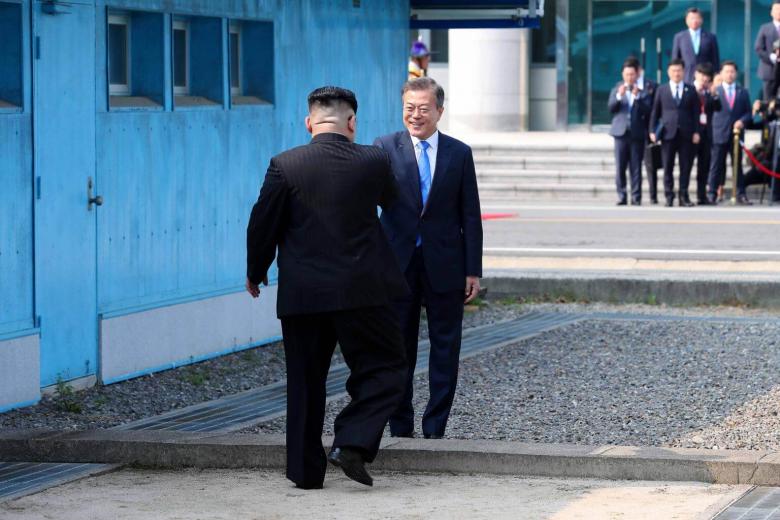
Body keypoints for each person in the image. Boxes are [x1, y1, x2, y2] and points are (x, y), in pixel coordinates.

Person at [246, 86, 408, 489]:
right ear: (351, 122)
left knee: (305, 381)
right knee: (387, 367)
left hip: (304, 294)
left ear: (308, 122)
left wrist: (256, 270)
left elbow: (263, 221)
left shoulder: (284, 165)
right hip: (362, 291)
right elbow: (394, 203)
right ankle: (351, 442)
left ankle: (305, 474)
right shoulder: (374, 159)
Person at [374, 77, 483, 440]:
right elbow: (367, 204)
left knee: (446, 349)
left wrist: (473, 270)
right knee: (397, 349)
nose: (415, 115)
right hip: (397, 265)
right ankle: (400, 427)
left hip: (446, 264)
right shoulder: (384, 147)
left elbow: (470, 215)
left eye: (423, 108)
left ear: (439, 110)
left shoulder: (459, 153)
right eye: (409, 108)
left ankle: (435, 428)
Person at [649, 59, 701, 207]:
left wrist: (696, 131)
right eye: (673, 70)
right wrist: (652, 130)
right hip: (668, 133)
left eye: (679, 70)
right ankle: (669, 196)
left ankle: (683, 196)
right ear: (668, 72)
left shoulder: (691, 90)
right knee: (668, 166)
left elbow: (696, 113)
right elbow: (655, 111)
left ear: (683, 72)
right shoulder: (662, 89)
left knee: (686, 166)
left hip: (686, 133)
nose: (676, 73)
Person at [708, 61, 753, 205]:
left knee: (737, 166)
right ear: (721, 74)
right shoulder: (715, 91)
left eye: (732, 71)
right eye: (726, 71)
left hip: (736, 135)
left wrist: (742, 121)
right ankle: (712, 193)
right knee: (716, 165)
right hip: (719, 133)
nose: (729, 74)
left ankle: (741, 193)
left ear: (736, 73)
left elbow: (749, 113)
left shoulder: (742, 92)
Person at [608, 59, 652, 205]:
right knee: (620, 167)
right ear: (623, 74)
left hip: (636, 133)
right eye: (627, 74)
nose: (630, 77)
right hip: (620, 133)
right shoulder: (617, 88)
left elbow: (648, 110)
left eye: (632, 74)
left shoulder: (642, 91)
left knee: (636, 167)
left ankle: (636, 197)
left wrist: (637, 97)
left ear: (637, 75)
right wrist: (619, 96)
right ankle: (622, 195)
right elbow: (611, 108)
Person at [626, 56, 660, 204]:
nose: (633, 76)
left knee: (651, 164)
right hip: (632, 131)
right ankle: (635, 195)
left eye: (635, 71)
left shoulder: (651, 86)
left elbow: (654, 110)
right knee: (633, 165)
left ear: (639, 71)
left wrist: (654, 130)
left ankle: (653, 195)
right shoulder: (623, 87)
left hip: (647, 130)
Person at [691, 63, 721, 205]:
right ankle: (683, 194)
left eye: (707, 77)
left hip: (706, 133)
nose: (704, 79)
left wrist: (714, 94)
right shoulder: (689, 89)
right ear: (696, 74)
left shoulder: (709, 92)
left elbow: (718, 107)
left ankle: (701, 196)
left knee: (704, 166)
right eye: (702, 75)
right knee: (687, 165)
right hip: (692, 133)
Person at [671, 7, 720, 85]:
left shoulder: (710, 37)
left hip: (706, 79)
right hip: (686, 78)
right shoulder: (679, 37)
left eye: (697, 18)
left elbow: (715, 60)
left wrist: (715, 78)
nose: (694, 21)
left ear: (701, 20)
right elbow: (675, 60)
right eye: (692, 18)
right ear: (686, 20)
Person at [755, 0, 780, 100]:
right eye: (777, 9)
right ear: (771, 12)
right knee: (769, 101)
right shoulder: (764, 28)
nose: (779, 11)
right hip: (769, 71)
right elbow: (758, 48)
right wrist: (771, 57)